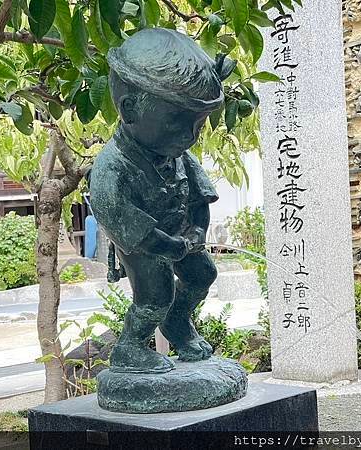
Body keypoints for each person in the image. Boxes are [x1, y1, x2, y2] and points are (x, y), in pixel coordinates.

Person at [89, 28, 235, 374]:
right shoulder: (111, 169)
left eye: (197, 125)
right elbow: (126, 224)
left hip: (182, 237)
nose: (189, 136)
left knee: (202, 275)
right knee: (155, 294)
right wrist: (166, 245)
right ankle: (130, 347)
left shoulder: (177, 154)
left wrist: (198, 231)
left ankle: (178, 323)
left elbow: (201, 199)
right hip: (144, 243)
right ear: (129, 109)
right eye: (176, 123)